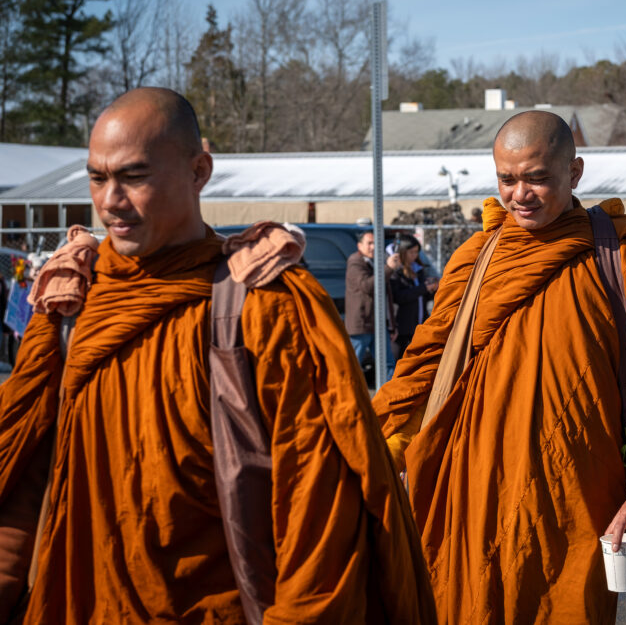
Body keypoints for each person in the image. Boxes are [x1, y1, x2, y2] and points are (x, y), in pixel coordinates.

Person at [0, 88, 436, 623]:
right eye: (97, 177)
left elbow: (315, 501)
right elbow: (23, 482)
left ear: (199, 170)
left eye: (134, 176)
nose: (110, 200)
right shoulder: (72, 303)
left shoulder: (262, 306)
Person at [374, 110, 626, 624]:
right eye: (507, 180)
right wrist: (366, 444)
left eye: (537, 178)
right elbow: (421, 365)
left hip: (575, 500)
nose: (520, 195)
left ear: (574, 173)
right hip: (469, 495)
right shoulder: (478, 258)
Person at [345, 230, 396, 383]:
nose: (373, 247)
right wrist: (389, 268)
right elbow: (367, 286)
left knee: (388, 365)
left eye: (376, 243)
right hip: (361, 324)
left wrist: (391, 324)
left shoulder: (376, 261)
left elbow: (387, 295)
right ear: (359, 245)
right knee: (352, 366)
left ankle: (389, 401)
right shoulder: (355, 261)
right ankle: (347, 400)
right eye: (369, 243)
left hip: (378, 323)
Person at [389, 233, 438, 359]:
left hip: (418, 324)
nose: (414, 256)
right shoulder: (396, 271)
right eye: (411, 252)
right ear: (402, 252)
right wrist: (423, 288)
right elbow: (399, 297)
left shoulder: (418, 269)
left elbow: (422, 297)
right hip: (403, 327)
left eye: (416, 252)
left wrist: (432, 289)